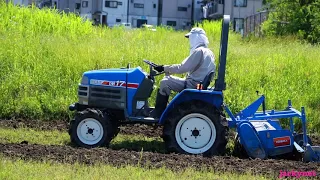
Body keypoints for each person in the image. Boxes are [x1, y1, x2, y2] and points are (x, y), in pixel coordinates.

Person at [150, 27, 216, 118]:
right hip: (198, 83)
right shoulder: (209, 52)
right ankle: (164, 110)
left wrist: (164, 68)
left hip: (192, 84)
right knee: (168, 77)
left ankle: (158, 113)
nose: (190, 41)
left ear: (196, 38)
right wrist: (167, 70)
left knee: (165, 82)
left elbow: (182, 68)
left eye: (191, 38)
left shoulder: (199, 51)